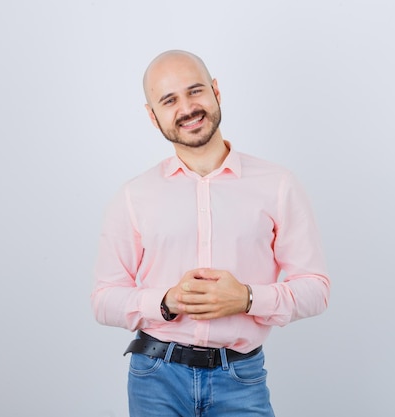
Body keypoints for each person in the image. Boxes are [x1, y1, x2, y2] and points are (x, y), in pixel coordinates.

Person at [91, 49, 330, 417]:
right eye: (169, 100)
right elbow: (104, 299)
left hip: (241, 377)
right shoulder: (133, 197)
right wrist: (166, 301)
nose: (187, 108)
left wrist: (248, 298)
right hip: (156, 377)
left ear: (216, 91)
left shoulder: (278, 185)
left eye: (195, 91)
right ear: (152, 116)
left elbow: (315, 288)